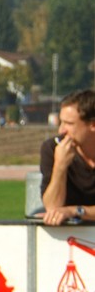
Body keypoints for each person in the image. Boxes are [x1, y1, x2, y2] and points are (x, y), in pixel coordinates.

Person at [39, 89, 95, 225]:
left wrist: (75, 211)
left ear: (92, 125)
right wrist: (60, 166)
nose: (61, 130)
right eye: (61, 122)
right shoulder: (52, 148)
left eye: (69, 124)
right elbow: (52, 208)